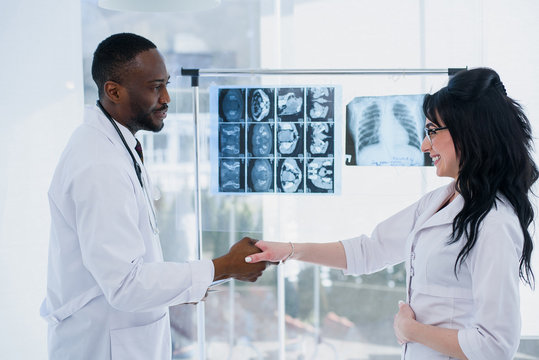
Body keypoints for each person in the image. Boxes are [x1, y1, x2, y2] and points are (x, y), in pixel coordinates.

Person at [246, 67, 537, 360]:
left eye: (432, 131)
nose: (425, 145)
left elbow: (496, 346)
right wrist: (289, 251)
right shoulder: (438, 201)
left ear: (470, 131)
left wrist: (411, 330)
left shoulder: (495, 223)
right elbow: (370, 251)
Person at [40, 33, 266, 360]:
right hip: (101, 344)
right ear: (113, 91)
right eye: (155, 86)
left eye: (166, 84)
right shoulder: (98, 164)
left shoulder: (115, 146)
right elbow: (125, 285)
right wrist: (223, 267)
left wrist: (182, 286)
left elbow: (130, 265)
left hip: (123, 336)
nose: (167, 98)